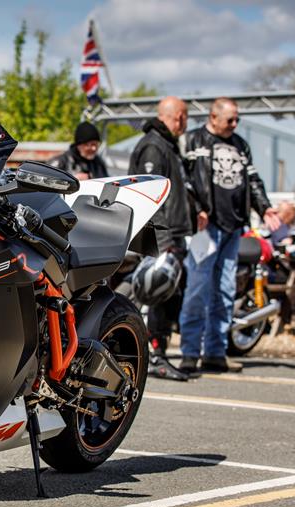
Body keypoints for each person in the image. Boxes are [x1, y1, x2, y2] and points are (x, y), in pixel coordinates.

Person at [179, 97, 281, 373]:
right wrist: (197, 209)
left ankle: (215, 353)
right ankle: (189, 353)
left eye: (237, 119)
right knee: (197, 289)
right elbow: (184, 180)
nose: (235, 124)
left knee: (225, 291)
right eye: (230, 119)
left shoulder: (240, 144)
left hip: (234, 227)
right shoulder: (193, 141)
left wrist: (265, 207)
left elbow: (254, 180)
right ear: (213, 117)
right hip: (205, 227)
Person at [128, 96, 195, 381]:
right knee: (158, 296)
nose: (185, 123)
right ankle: (154, 356)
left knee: (167, 300)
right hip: (161, 239)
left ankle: (160, 354)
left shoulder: (167, 146)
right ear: (177, 116)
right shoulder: (154, 146)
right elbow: (149, 194)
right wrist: (164, 240)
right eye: (185, 117)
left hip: (172, 237)